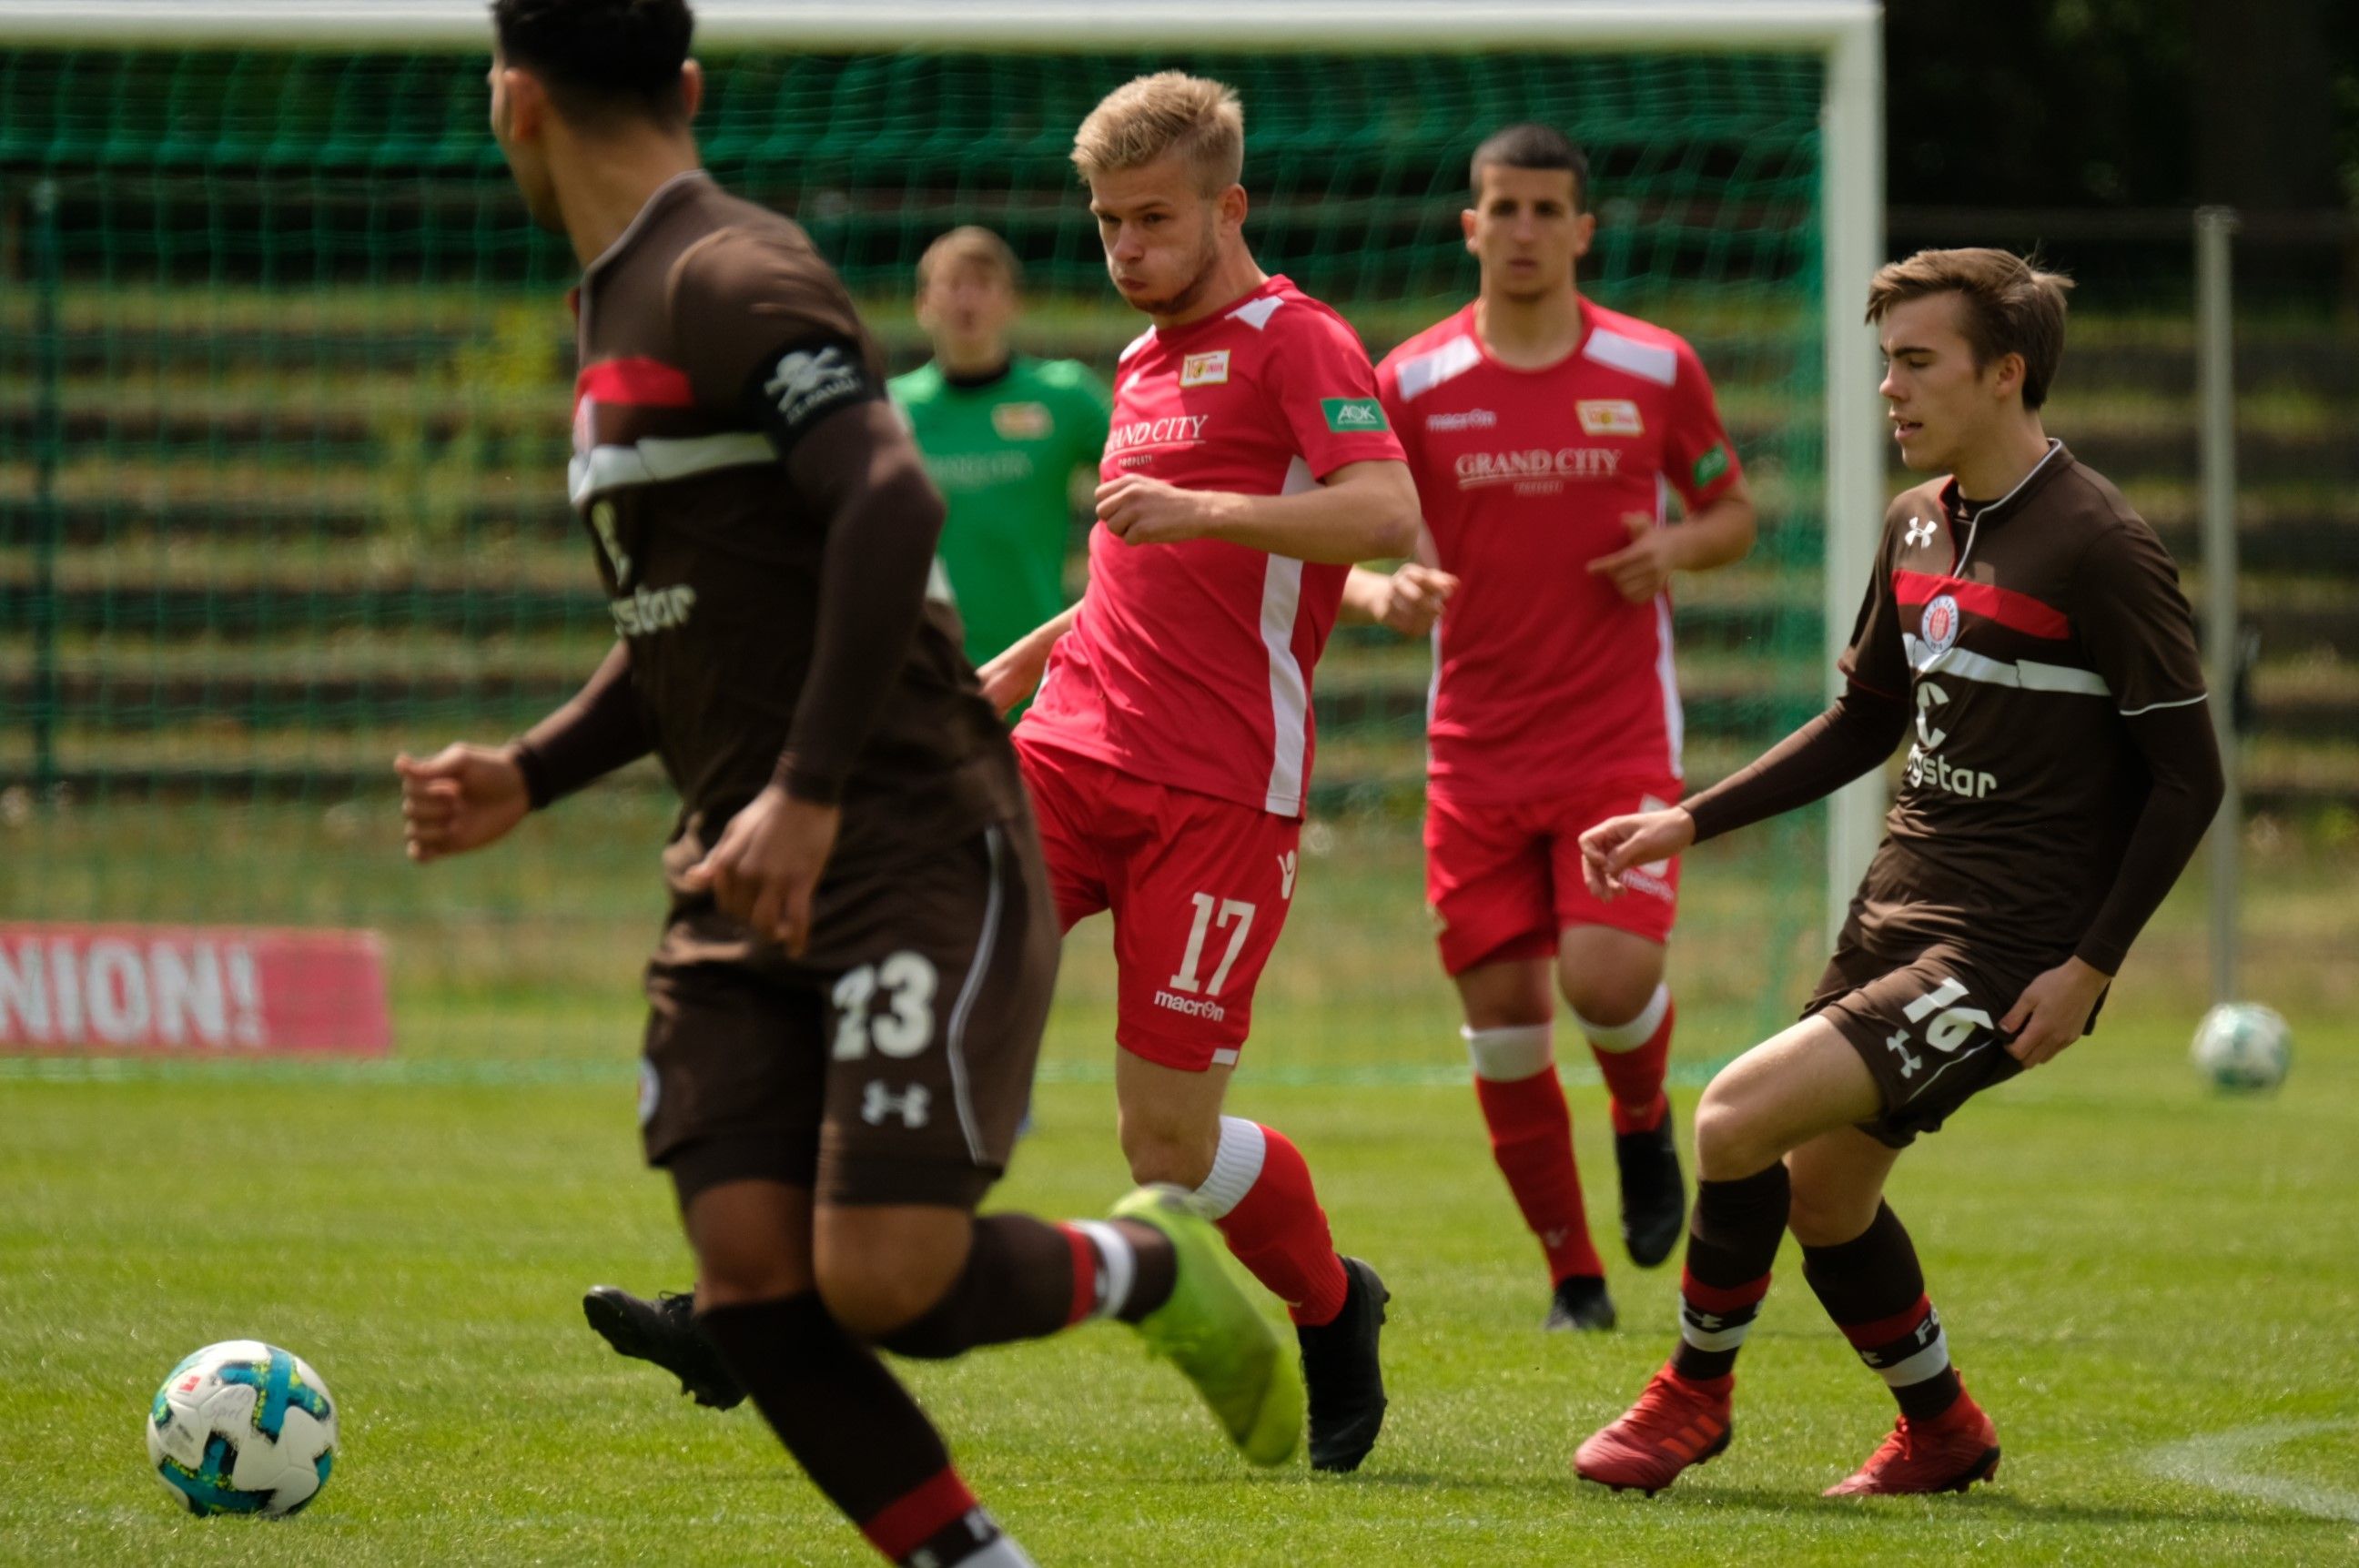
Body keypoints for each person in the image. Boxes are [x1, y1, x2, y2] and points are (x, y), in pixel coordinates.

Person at [400, 6, 1300, 1563]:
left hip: (893, 828)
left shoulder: (729, 274)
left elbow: (887, 503)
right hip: (739, 854)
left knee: (883, 1276)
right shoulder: (613, 303)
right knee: (750, 1284)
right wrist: (533, 771)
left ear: (513, 102)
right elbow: (692, 625)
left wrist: (811, 786)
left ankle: (1142, 1267)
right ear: (682, 82)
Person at [578, 71, 1416, 1476]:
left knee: (1169, 1139)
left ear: (1233, 208)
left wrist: (1202, 506)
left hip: (1222, 793)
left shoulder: (1298, 339)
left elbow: (1384, 509)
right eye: (1106, 224)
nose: (1127, 250)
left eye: (1155, 220)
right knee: (880, 976)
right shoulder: (1143, 365)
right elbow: (1135, 567)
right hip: (1066, 754)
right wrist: (1039, 647)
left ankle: (1336, 1305)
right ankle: (739, 1316)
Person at [1572, 248, 2222, 1497]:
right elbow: (1864, 721)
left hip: (2004, 946)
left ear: (2005, 373)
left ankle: (1691, 1394)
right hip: (1895, 909)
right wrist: (1685, 822)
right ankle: (1944, 1428)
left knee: (1733, 1116)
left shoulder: (2101, 546)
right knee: (1824, 1192)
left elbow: (2191, 780)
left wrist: (2088, 967)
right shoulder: (1919, 520)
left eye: (1917, 360)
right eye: (1887, 360)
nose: (1891, 385)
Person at [1347, 124, 1756, 1332]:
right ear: (1470, 225)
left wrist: (1674, 545)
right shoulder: (1409, 378)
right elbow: (1366, 524)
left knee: (1605, 971)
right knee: (1505, 1025)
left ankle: (1641, 1117)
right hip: (1473, 740)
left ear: (1582, 230)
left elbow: (1729, 510)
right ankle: (1573, 1275)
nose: (1522, 229)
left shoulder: (1653, 364)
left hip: (1615, 727)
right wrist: (1387, 582)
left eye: (1545, 210)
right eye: (1501, 208)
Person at [891, 227, 1109, 703]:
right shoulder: (890, 410)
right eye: (953, 285)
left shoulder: (1065, 397)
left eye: (984, 285)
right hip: (923, 674)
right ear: (923, 304)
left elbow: (1148, 478)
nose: (968, 301)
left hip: (1041, 668)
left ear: (1012, 302)